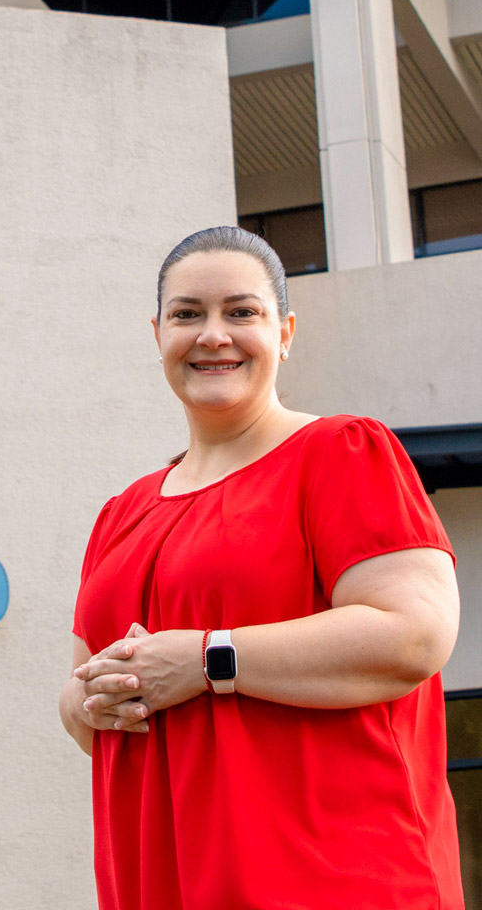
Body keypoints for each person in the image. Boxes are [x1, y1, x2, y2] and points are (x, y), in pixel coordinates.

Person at [59, 226, 463, 909]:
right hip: (161, 883)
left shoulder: (339, 453)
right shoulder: (121, 514)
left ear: (285, 331)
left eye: (241, 312)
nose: (213, 335)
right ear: (158, 332)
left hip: (328, 881)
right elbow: (89, 698)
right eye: (188, 314)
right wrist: (84, 699)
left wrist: (209, 660)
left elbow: (415, 636)